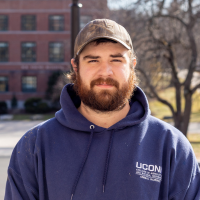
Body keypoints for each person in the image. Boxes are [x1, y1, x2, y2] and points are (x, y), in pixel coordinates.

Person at [4, 19, 200, 200]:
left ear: (132, 66)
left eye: (116, 60)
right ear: (76, 67)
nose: (105, 72)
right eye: (93, 60)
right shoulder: (35, 147)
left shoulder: (171, 147)